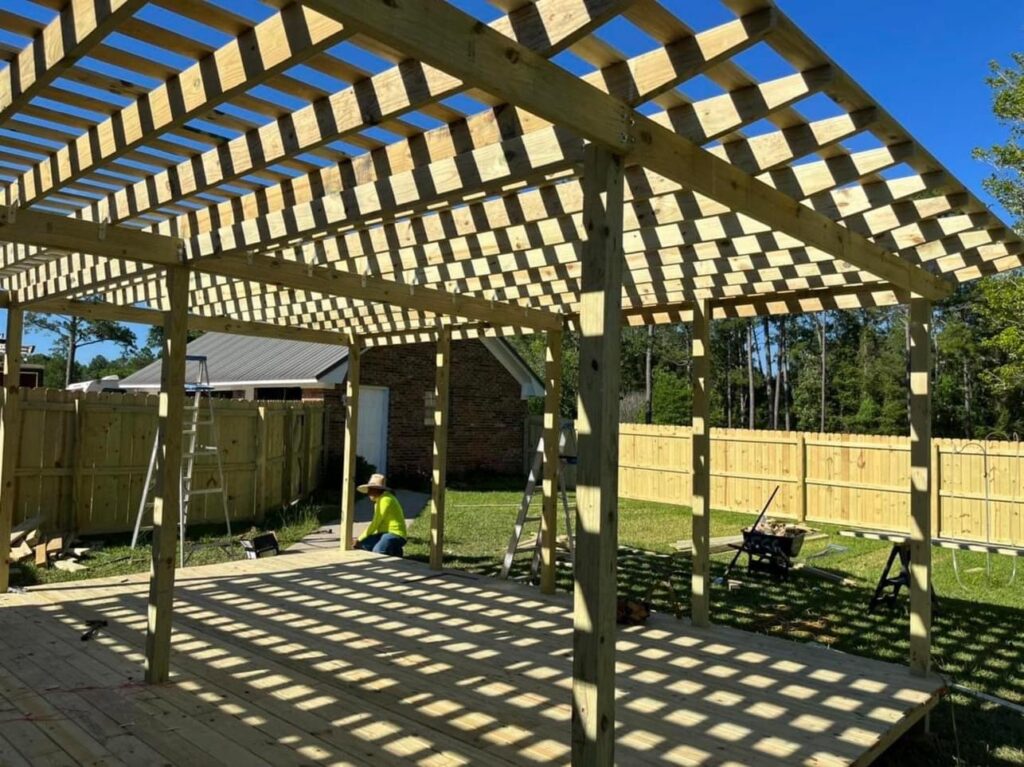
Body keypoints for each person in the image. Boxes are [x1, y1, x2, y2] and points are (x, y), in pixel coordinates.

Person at [353, 474, 407, 556]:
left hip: (395, 534)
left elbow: (375, 523)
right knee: (364, 544)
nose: (368, 492)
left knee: (378, 551)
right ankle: (395, 551)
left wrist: (359, 539)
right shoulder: (379, 501)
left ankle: (394, 551)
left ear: (377, 490)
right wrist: (361, 540)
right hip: (383, 534)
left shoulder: (385, 500)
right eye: (368, 489)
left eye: (371, 489)